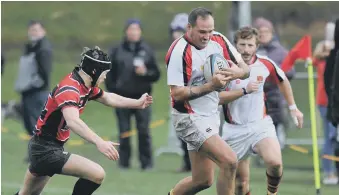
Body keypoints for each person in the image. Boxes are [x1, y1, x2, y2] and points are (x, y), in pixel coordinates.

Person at [15, 46, 153, 195]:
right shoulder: (70, 89)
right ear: (94, 71)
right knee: (97, 174)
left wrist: (137, 103)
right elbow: (73, 121)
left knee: (26, 194)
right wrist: (99, 142)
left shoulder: (84, 85)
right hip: (45, 150)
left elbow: (108, 97)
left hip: (43, 147)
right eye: (104, 74)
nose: (105, 78)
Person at [166, 7, 250, 195]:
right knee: (229, 161)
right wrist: (211, 86)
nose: (207, 36)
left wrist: (238, 72)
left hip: (210, 114)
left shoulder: (218, 40)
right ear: (189, 27)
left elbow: (245, 68)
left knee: (203, 180)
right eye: (202, 32)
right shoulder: (179, 51)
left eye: (210, 31)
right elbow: (177, 93)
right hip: (188, 117)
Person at [219, 27, 304, 195]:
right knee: (240, 185)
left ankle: (272, 192)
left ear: (257, 46)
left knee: (275, 163)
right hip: (234, 130)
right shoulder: (225, 66)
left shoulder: (265, 63)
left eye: (250, 45)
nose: (246, 49)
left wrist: (294, 108)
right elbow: (218, 98)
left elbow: (283, 80)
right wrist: (244, 90)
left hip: (260, 125)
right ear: (235, 46)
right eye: (242, 44)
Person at [105, 19, 160, 170]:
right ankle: (124, 163)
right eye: (131, 29)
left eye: (136, 29)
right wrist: (113, 92)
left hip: (142, 98)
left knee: (144, 131)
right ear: (126, 31)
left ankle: (146, 163)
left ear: (140, 32)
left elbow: (156, 75)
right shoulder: (117, 50)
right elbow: (109, 74)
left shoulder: (147, 50)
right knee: (124, 131)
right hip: (122, 97)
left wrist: (145, 73)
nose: (133, 32)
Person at [253, 17, 295, 149]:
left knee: (274, 132)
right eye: (260, 31)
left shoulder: (281, 52)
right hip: (254, 98)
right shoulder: (250, 50)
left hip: (275, 99)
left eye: (266, 31)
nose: (263, 34)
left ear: (272, 33)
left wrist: (274, 73)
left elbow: (290, 72)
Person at [14, 20, 53, 138]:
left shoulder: (43, 49)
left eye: (36, 30)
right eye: (31, 30)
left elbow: (44, 72)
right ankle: (35, 154)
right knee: (31, 126)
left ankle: (43, 154)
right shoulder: (31, 47)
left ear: (43, 31)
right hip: (29, 93)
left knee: (37, 126)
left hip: (36, 94)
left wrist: (33, 85)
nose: (33, 33)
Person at [313, 36, 338, 184]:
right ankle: (329, 173)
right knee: (330, 137)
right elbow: (313, 58)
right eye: (326, 50)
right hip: (325, 104)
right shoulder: (321, 62)